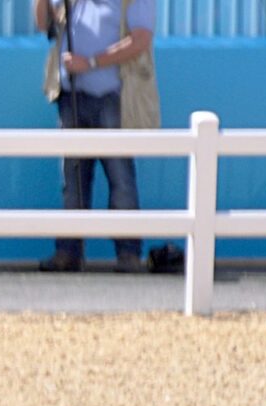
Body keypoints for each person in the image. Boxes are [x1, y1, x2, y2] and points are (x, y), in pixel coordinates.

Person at [36, 0, 154, 272]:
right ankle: (69, 252)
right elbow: (45, 24)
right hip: (72, 97)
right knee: (73, 177)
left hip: (112, 97)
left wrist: (90, 63)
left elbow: (140, 40)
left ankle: (128, 254)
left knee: (120, 175)